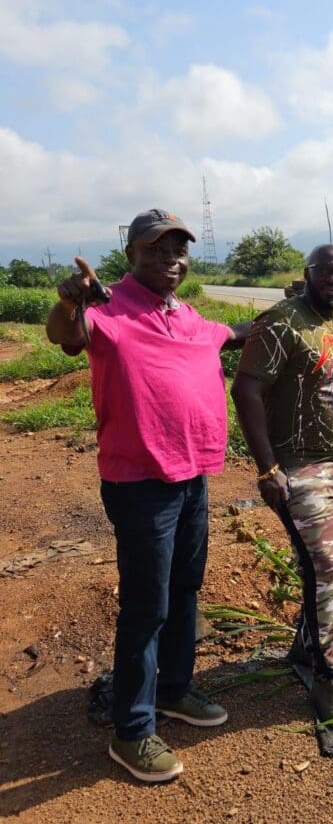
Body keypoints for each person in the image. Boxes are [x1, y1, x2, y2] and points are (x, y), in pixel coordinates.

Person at [46, 209, 251, 782]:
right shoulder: (106, 310)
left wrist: (296, 307)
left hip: (194, 476)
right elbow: (65, 336)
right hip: (139, 484)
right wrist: (70, 303)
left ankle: (175, 689)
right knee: (147, 604)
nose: (171, 259)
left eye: (178, 250)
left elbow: (238, 336)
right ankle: (132, 730)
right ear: (132, 254)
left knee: (185, 588)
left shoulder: (188, 316)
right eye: (158, 250)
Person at [231, 244, 333, 720]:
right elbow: (245, 389)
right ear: (308, 273)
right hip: (300, 468)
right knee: (325, 568)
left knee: (321, 565)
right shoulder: (283, 322)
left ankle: (308, 644)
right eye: (327, 273)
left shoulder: (332, 327)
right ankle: (329, 675)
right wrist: (267, 468)